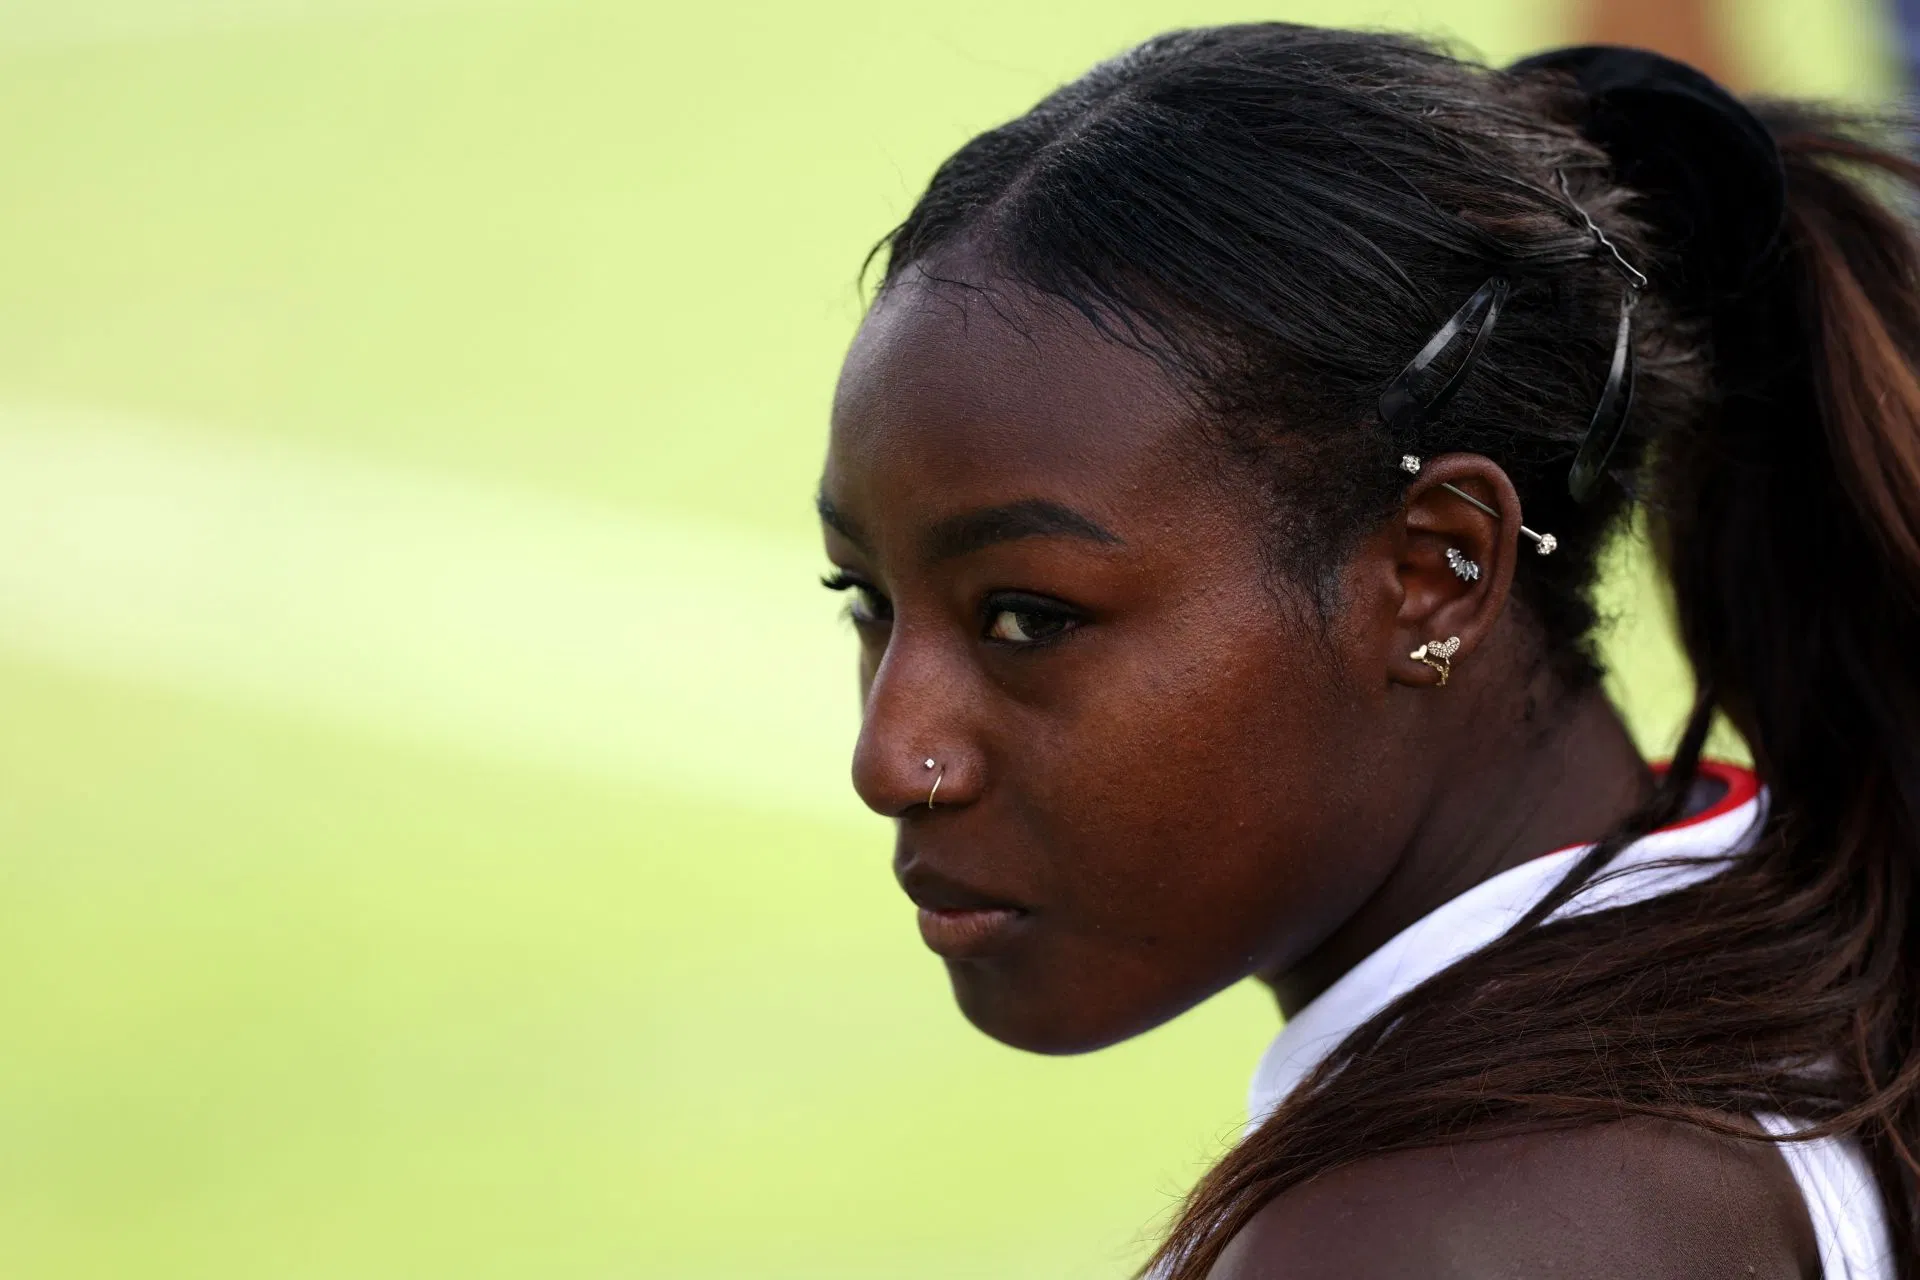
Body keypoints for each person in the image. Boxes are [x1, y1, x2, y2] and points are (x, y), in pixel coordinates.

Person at [816, 28, 1914, 1279]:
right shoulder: (1787, 930)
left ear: (1437, 573)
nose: (891, 758)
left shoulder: (1439, 1236)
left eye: (1028, 616)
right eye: (865, 596)